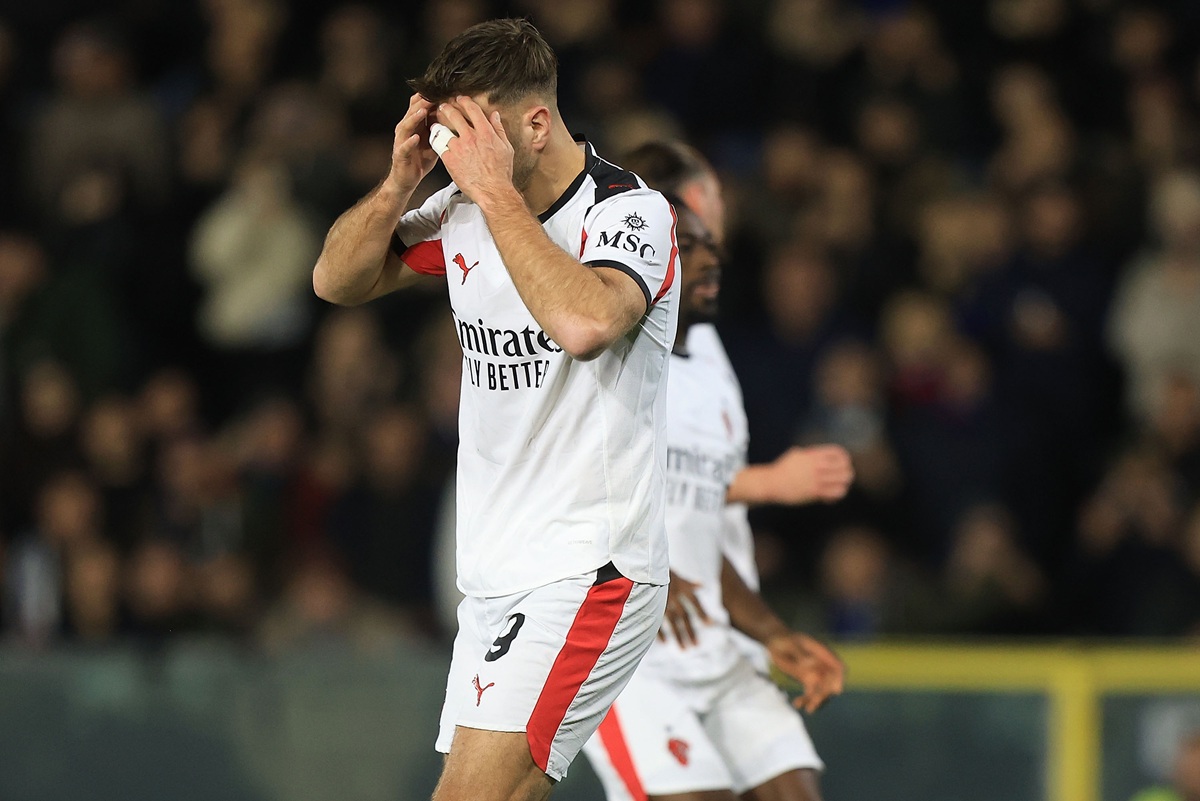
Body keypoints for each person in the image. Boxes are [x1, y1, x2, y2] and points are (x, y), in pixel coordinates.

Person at [311, 19, 681, 801]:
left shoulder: (627, 213)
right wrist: (400, 181)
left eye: (475, 132)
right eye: (451, 134)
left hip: (588, 564)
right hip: (492, 576)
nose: (460, 154)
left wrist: (489, 192)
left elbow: (585, 323)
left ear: (536, 124)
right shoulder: (465, 210)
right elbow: (336, 280)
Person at [581, 142, 852, 801]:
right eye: (693, 239)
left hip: (720, 640)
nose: (715, 255)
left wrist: (773, 632)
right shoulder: (602, 354)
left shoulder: (710, 352)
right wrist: (639, 565)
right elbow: (561, 492)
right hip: (627, 653)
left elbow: (699, 517)